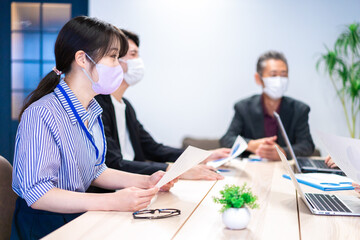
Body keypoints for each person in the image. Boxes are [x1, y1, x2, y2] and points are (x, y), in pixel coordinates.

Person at [11, 17, 175, 240]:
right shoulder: (42, 113)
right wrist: (110, 201)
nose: (119, 67)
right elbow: (38, 193)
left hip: (77, 216)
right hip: (45, 225)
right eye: (113, 57)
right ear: (82, 59)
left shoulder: (92, 110)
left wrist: (145, 181)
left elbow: (96, 170)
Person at [91, 29, 229, 186]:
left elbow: (152, 148)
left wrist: (202, 156)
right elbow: (114, 163)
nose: (138, 61)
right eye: (133, 54)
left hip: (136, 186)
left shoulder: (126, 106)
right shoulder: (97, 105)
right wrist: (174, 170)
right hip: (118, 189)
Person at [220, 51, 315, 161]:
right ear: (258, 78)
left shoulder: (300, 109)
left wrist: (283, 152)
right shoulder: (243, 107)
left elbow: (307, 145)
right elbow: (226, 139)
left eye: (283, 75)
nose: (279, 80)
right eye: (273, 75)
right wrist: (251, 145)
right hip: (252, 169)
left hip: (285, 170)